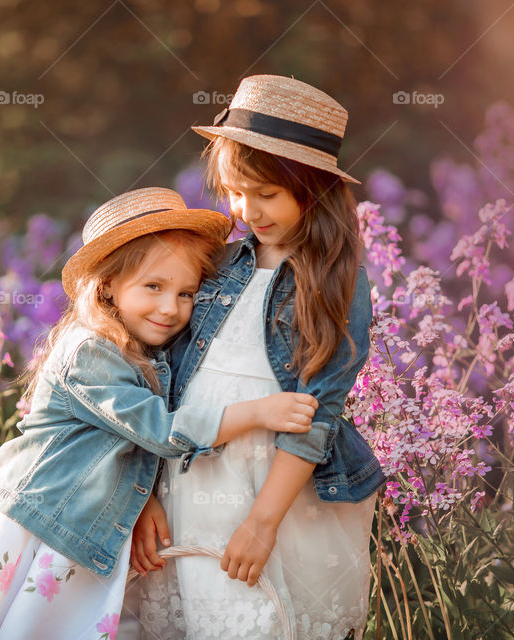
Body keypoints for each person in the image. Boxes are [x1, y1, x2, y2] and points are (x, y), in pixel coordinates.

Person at [0, 187, 319, 640]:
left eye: (186, 292)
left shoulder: (145, 351)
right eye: (154, 286)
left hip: (78, 532)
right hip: (47, 531)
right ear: (108, 284)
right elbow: (160, 430)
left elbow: (119, 440)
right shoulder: (90, 351)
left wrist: (144, 496)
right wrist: (258, 412)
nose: (171, 308)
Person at [132, 76, 386, 640]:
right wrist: (144, 494)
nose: (247, 209)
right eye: (234, 191)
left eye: (265, 194)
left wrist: (263, 523)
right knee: (198, 617)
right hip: (191, 480)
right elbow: (160, 382)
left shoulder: (337, 283)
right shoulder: (216, 263)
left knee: (261, 620)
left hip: (280, 495)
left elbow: (318, 412)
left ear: (313, 187)